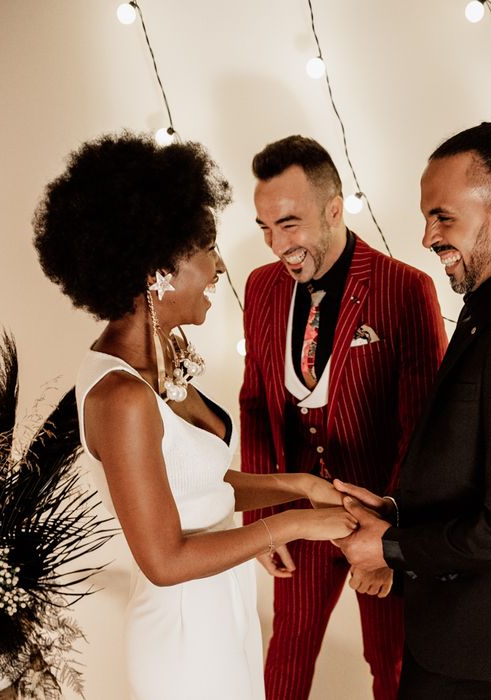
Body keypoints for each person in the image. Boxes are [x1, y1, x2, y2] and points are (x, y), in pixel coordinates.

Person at [32, 133, 358, 700]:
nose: (220, 264)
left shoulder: (159, 356)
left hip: (223, 614)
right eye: (207, 246)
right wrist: (296, 524)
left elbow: (197, 487)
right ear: (159, 268)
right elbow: (164, 559)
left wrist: (301, 487)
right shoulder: (122, 397)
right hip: (184, 640)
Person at [335, 98, 491, 700]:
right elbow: (473, 465)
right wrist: (393, 513)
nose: (426, 237)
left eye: (442, 217)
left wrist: (389, 547)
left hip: (474, 631)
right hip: (451, 614)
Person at [239, 135, 447, 699]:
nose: (277, 244)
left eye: (290, 224)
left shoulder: (405, 289)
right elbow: (257, 404)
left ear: (335, 209)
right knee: (287, 655)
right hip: (297, 516)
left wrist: (392, 543)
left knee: (393, 665)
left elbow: (425, 430)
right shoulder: (259, 288)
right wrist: (259, 520)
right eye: (265, 227)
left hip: (383, 514)